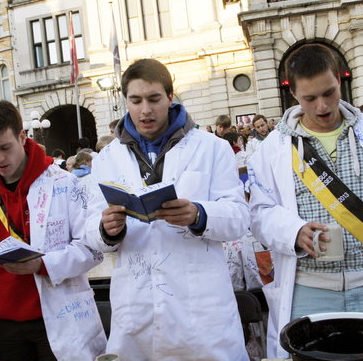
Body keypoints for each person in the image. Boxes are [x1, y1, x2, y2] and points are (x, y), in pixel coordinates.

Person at [86, 58, 250, 360]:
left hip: (200, 312)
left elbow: (239, 217)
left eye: (154, 99)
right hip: (137, 310)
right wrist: (105, 229)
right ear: (125, 101)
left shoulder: (211, 148)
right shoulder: (107, 158)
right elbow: (90, 230)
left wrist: (198, 215)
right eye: (135, 101)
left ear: (170, 97)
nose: (145, 110)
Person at [248, 43, 363, 358]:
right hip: (310, 289)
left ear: (340, 80)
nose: (322, 106)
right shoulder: (272, 148)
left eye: (329, 93)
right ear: (294, 94)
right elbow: (259, 214)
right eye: (310, 98)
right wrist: (293, 231)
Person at [0, 100, 106, 361]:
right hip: (3, 325)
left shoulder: (64, 184)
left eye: (5, 147)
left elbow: (91, 249)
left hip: (59, 319)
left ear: (22, 137)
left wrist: (43, 265)